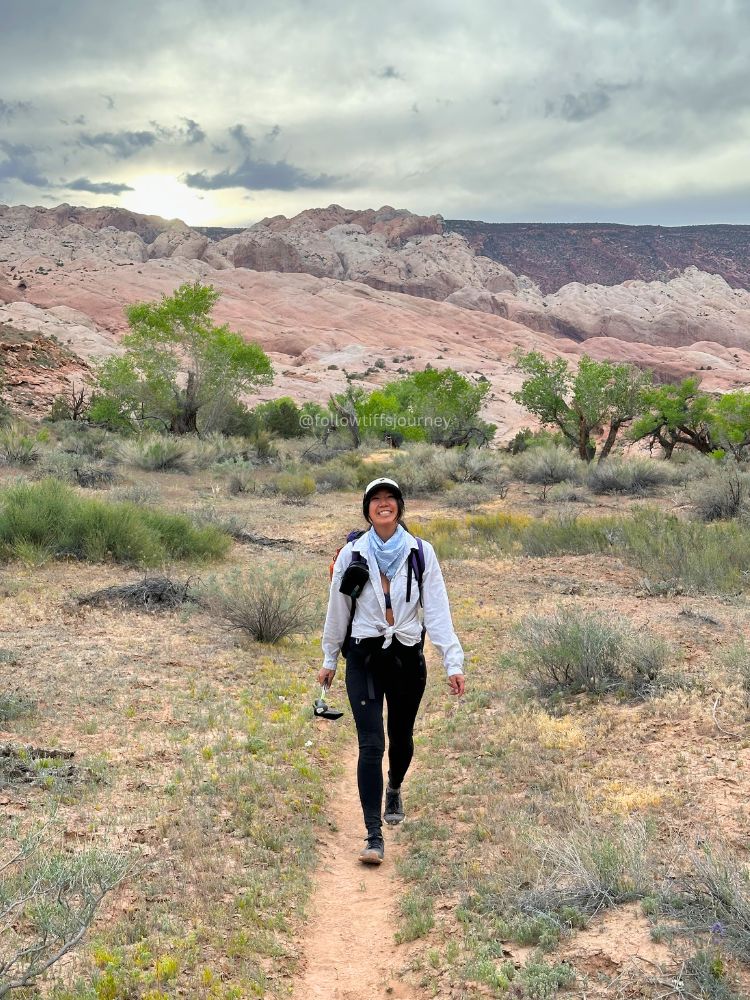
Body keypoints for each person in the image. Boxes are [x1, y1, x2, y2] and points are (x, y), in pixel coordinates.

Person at [319, 477, 465, 865]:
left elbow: (436, 610)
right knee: (371, 744)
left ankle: (395, 786)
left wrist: (453, 661)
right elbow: (337, 611)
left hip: (406, 657)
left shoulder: (421, 552)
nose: (384, 505)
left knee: (400, 737)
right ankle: (373, 836)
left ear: (400, 506)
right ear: (366, 509)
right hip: (364, 657)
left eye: (390, 499)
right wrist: (330, 659)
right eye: (376, 500)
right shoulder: (352, 553)